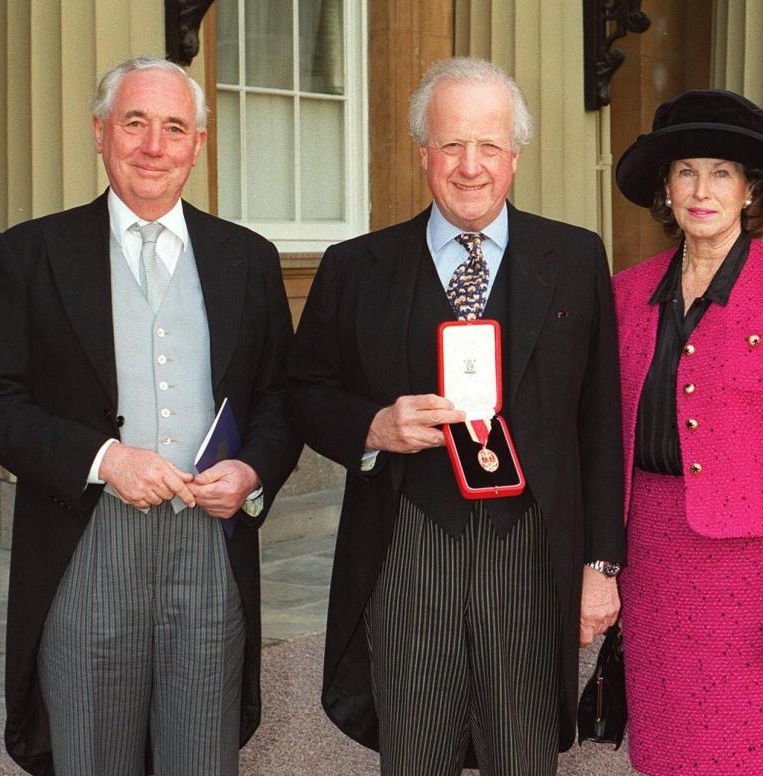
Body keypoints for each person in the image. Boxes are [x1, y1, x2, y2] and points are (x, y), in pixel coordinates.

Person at [0, 56, 301, 776]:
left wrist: (250, 470)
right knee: (90, 754)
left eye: (173, 127)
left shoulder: (249, 258)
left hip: (210, 546)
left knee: (203, 757)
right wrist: (103, 461)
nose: (153, 146)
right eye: (135, 123)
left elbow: (281, 398)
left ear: (198, 145)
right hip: (87, 543)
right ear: (99, 133)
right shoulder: (32, 254)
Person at [288, 57, 624, 775]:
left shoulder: (574, 257)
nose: (470, 166)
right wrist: (374, 426)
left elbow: (602, 421)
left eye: (489, 147)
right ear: (423, 154)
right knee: (414, 755)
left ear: (515, 156)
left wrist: (602, 565)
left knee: (525, 756)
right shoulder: (356, 267)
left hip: (532, 547)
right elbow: (303, 390)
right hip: (410, 542)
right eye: (451, 145)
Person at [610, 89, 763, 775]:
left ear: (752, 190)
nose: (702, 189)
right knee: (671, 754)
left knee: (761, 752)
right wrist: (600, 566)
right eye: (686, 170)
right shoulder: (626, 292)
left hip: (756, 575)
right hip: (654, 564)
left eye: (722, 172)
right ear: (665, 186)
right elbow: (601, 444)